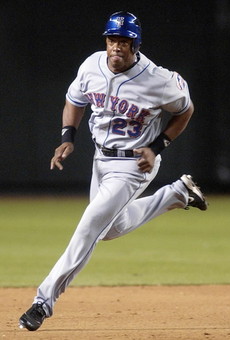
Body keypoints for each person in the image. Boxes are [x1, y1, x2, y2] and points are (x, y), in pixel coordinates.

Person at [19, 11, 207, 331]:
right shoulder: (92, 64)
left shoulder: (158, 79)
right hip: (100, 159)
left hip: (134, 164)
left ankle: (43, 301)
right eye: (112, 39)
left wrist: (158, 145)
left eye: (124, 41)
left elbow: (185, 109)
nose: (116, 46)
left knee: (90, 225)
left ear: (136, 45)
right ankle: (177, 194)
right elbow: (73, 100)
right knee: (108, 230)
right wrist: (68, 137)